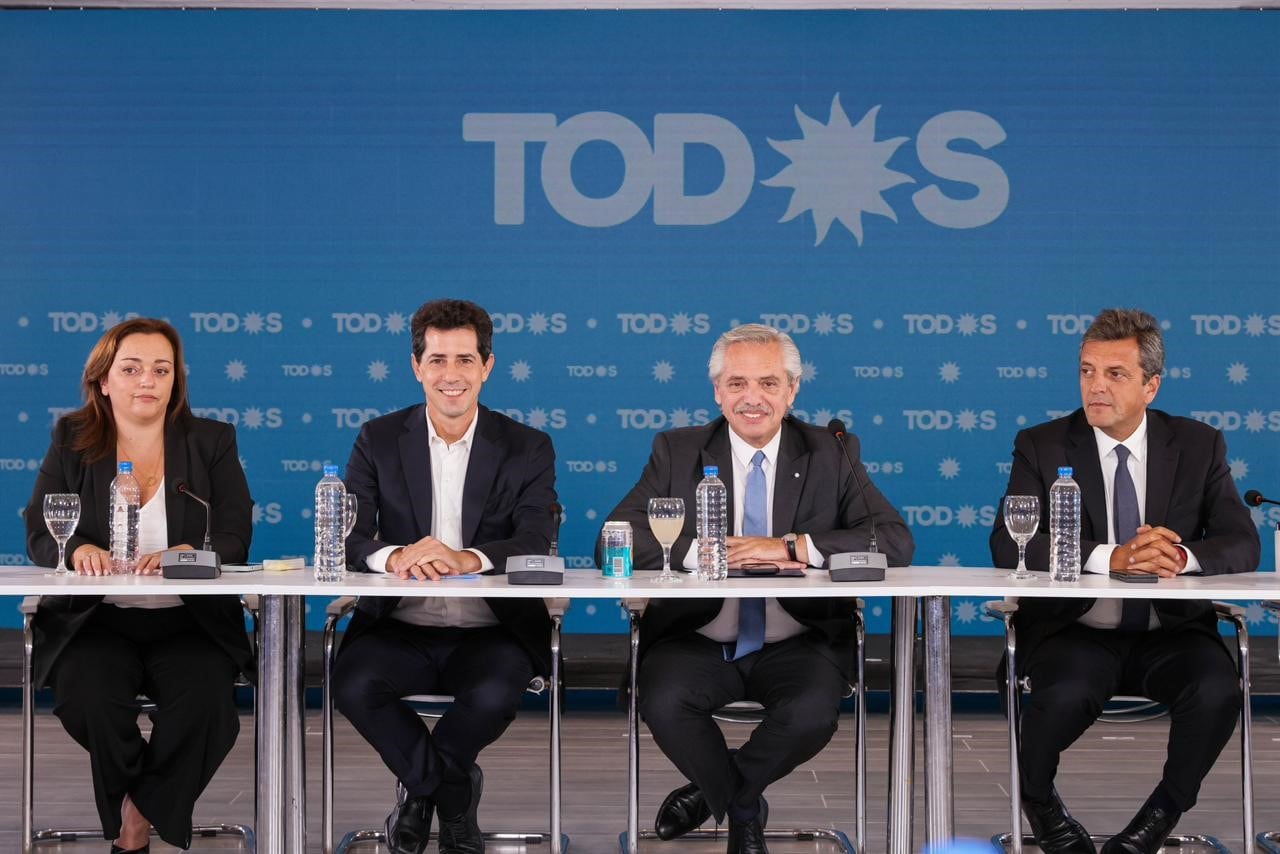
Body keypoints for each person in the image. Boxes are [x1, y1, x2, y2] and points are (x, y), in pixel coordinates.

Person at [600, 323, 914, 854]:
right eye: (737, 383)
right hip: (697, 635)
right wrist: (704, 550)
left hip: (798, 637)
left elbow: (892, 540)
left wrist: (791, 547)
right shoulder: (678, 451)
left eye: (769, 384)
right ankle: (744, 809)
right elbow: (615, 538)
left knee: (813, 712)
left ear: (793, 391)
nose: (752, 398)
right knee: (665, 699)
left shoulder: (830, 450)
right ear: (717, 391)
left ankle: (714, 796)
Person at [990, 308, 1259, 854]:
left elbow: (1241, 540)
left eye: (1115, 374)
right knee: (1059, 695)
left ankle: (1156, 821)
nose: (1096, 386)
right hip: (1078, 630)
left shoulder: (1198, 444)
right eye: (1087, 371)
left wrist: (1179, 557)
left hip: (1173, 633)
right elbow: (1008, 541)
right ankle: (1041, 808)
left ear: (1150, 386)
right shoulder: (1043, 444)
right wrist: (1113, 558)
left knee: (1216, 692)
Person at [332, 298, 557, 854]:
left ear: (488, 366)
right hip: (399, 627)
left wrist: (467, 558)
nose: (450, 375)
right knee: (354, 684)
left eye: (464, 360)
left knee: (493, 693)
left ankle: (418, 796)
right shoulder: (378, 438)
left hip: (491, 631)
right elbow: (352, 536)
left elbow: (536, 540)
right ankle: (454, 795)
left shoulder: (527, 446)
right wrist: (396, 556)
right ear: (416, 366)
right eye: (436, 360)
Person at [23, 318, 254, 854]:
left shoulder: (210, 440)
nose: (147, 380)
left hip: (188, 618)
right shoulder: (72, 437)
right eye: (131, 369)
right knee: (90, 698)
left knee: (208, 706)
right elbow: (40, 529)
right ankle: (146, 808)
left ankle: (135, 821)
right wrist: (78, 549)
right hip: (96, 618)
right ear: (104, 380)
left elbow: (235, 536)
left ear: (176, 381)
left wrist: (186, 556)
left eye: (161, 369)